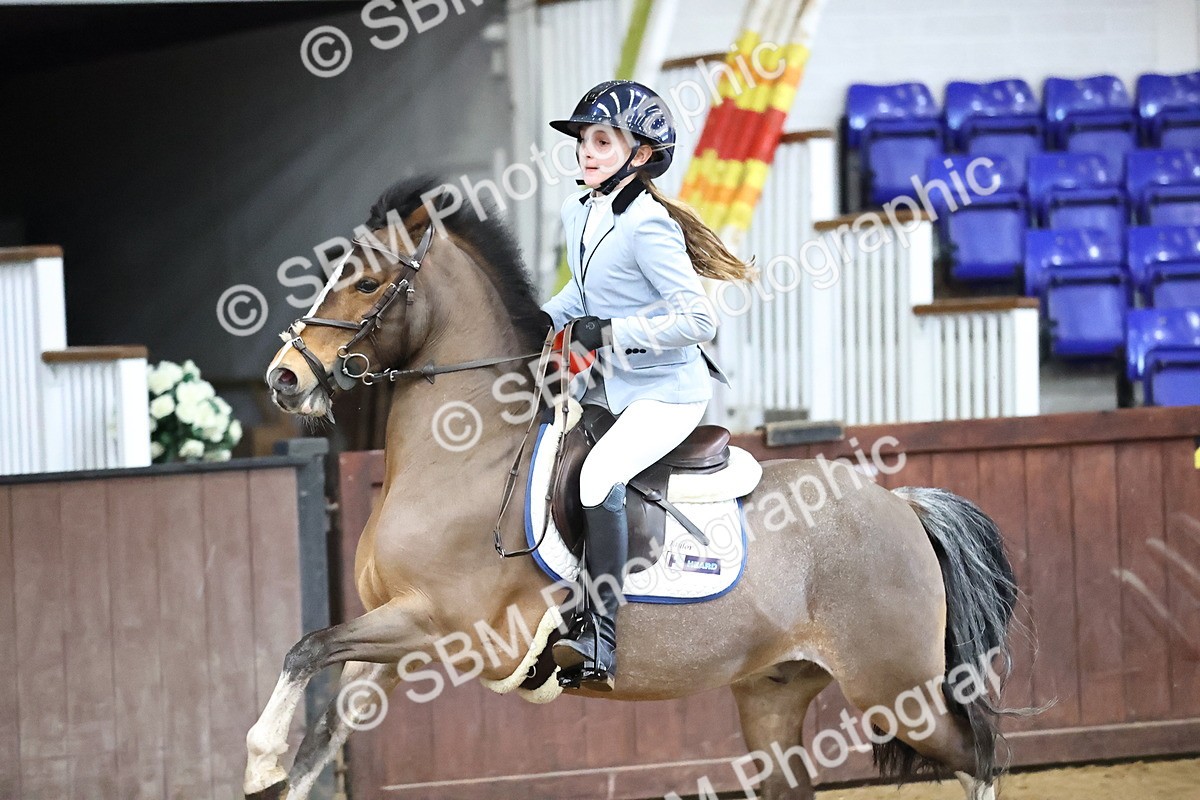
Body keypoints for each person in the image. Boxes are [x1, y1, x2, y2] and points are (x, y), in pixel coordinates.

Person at [538, 80, 755, 691]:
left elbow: (697, 320)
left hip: (667, 395)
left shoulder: (650, 225)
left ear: (638, 154)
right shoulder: (578, 210)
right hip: (609, 390)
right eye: (584, 139)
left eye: (602, 140)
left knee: (598, 474)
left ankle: (600, 637)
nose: (587, 150)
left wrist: (609, 332)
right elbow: (579, 296)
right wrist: (537, 318)